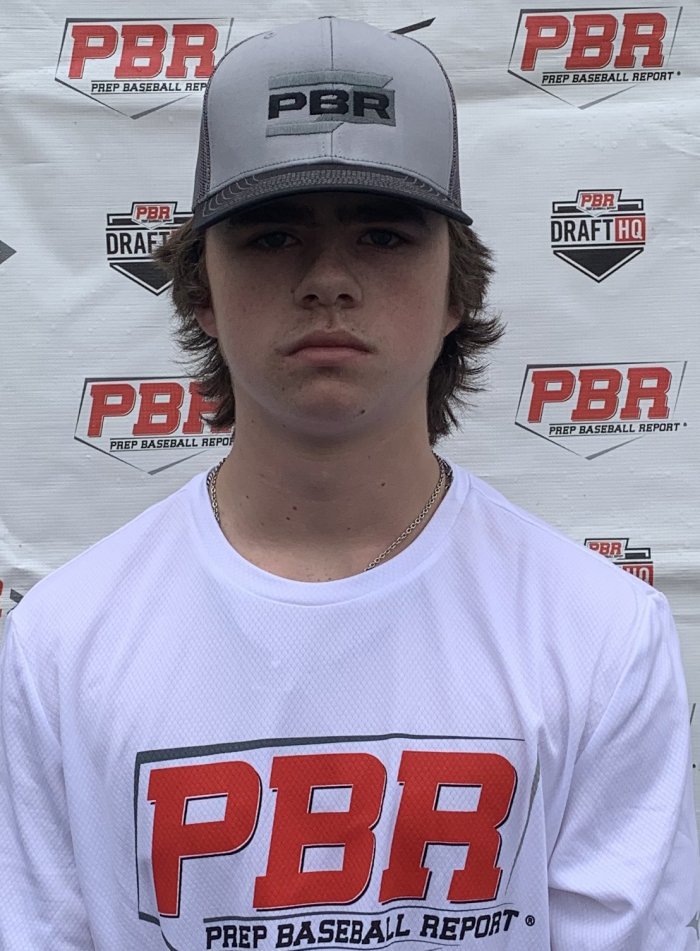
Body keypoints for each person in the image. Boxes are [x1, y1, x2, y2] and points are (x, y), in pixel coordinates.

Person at [1, 15, 698, 951]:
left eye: (381, 235)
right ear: (200, 291)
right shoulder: (61, 645)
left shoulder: (601, 633)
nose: (328, 280)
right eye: (272, 236)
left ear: (457, 291)